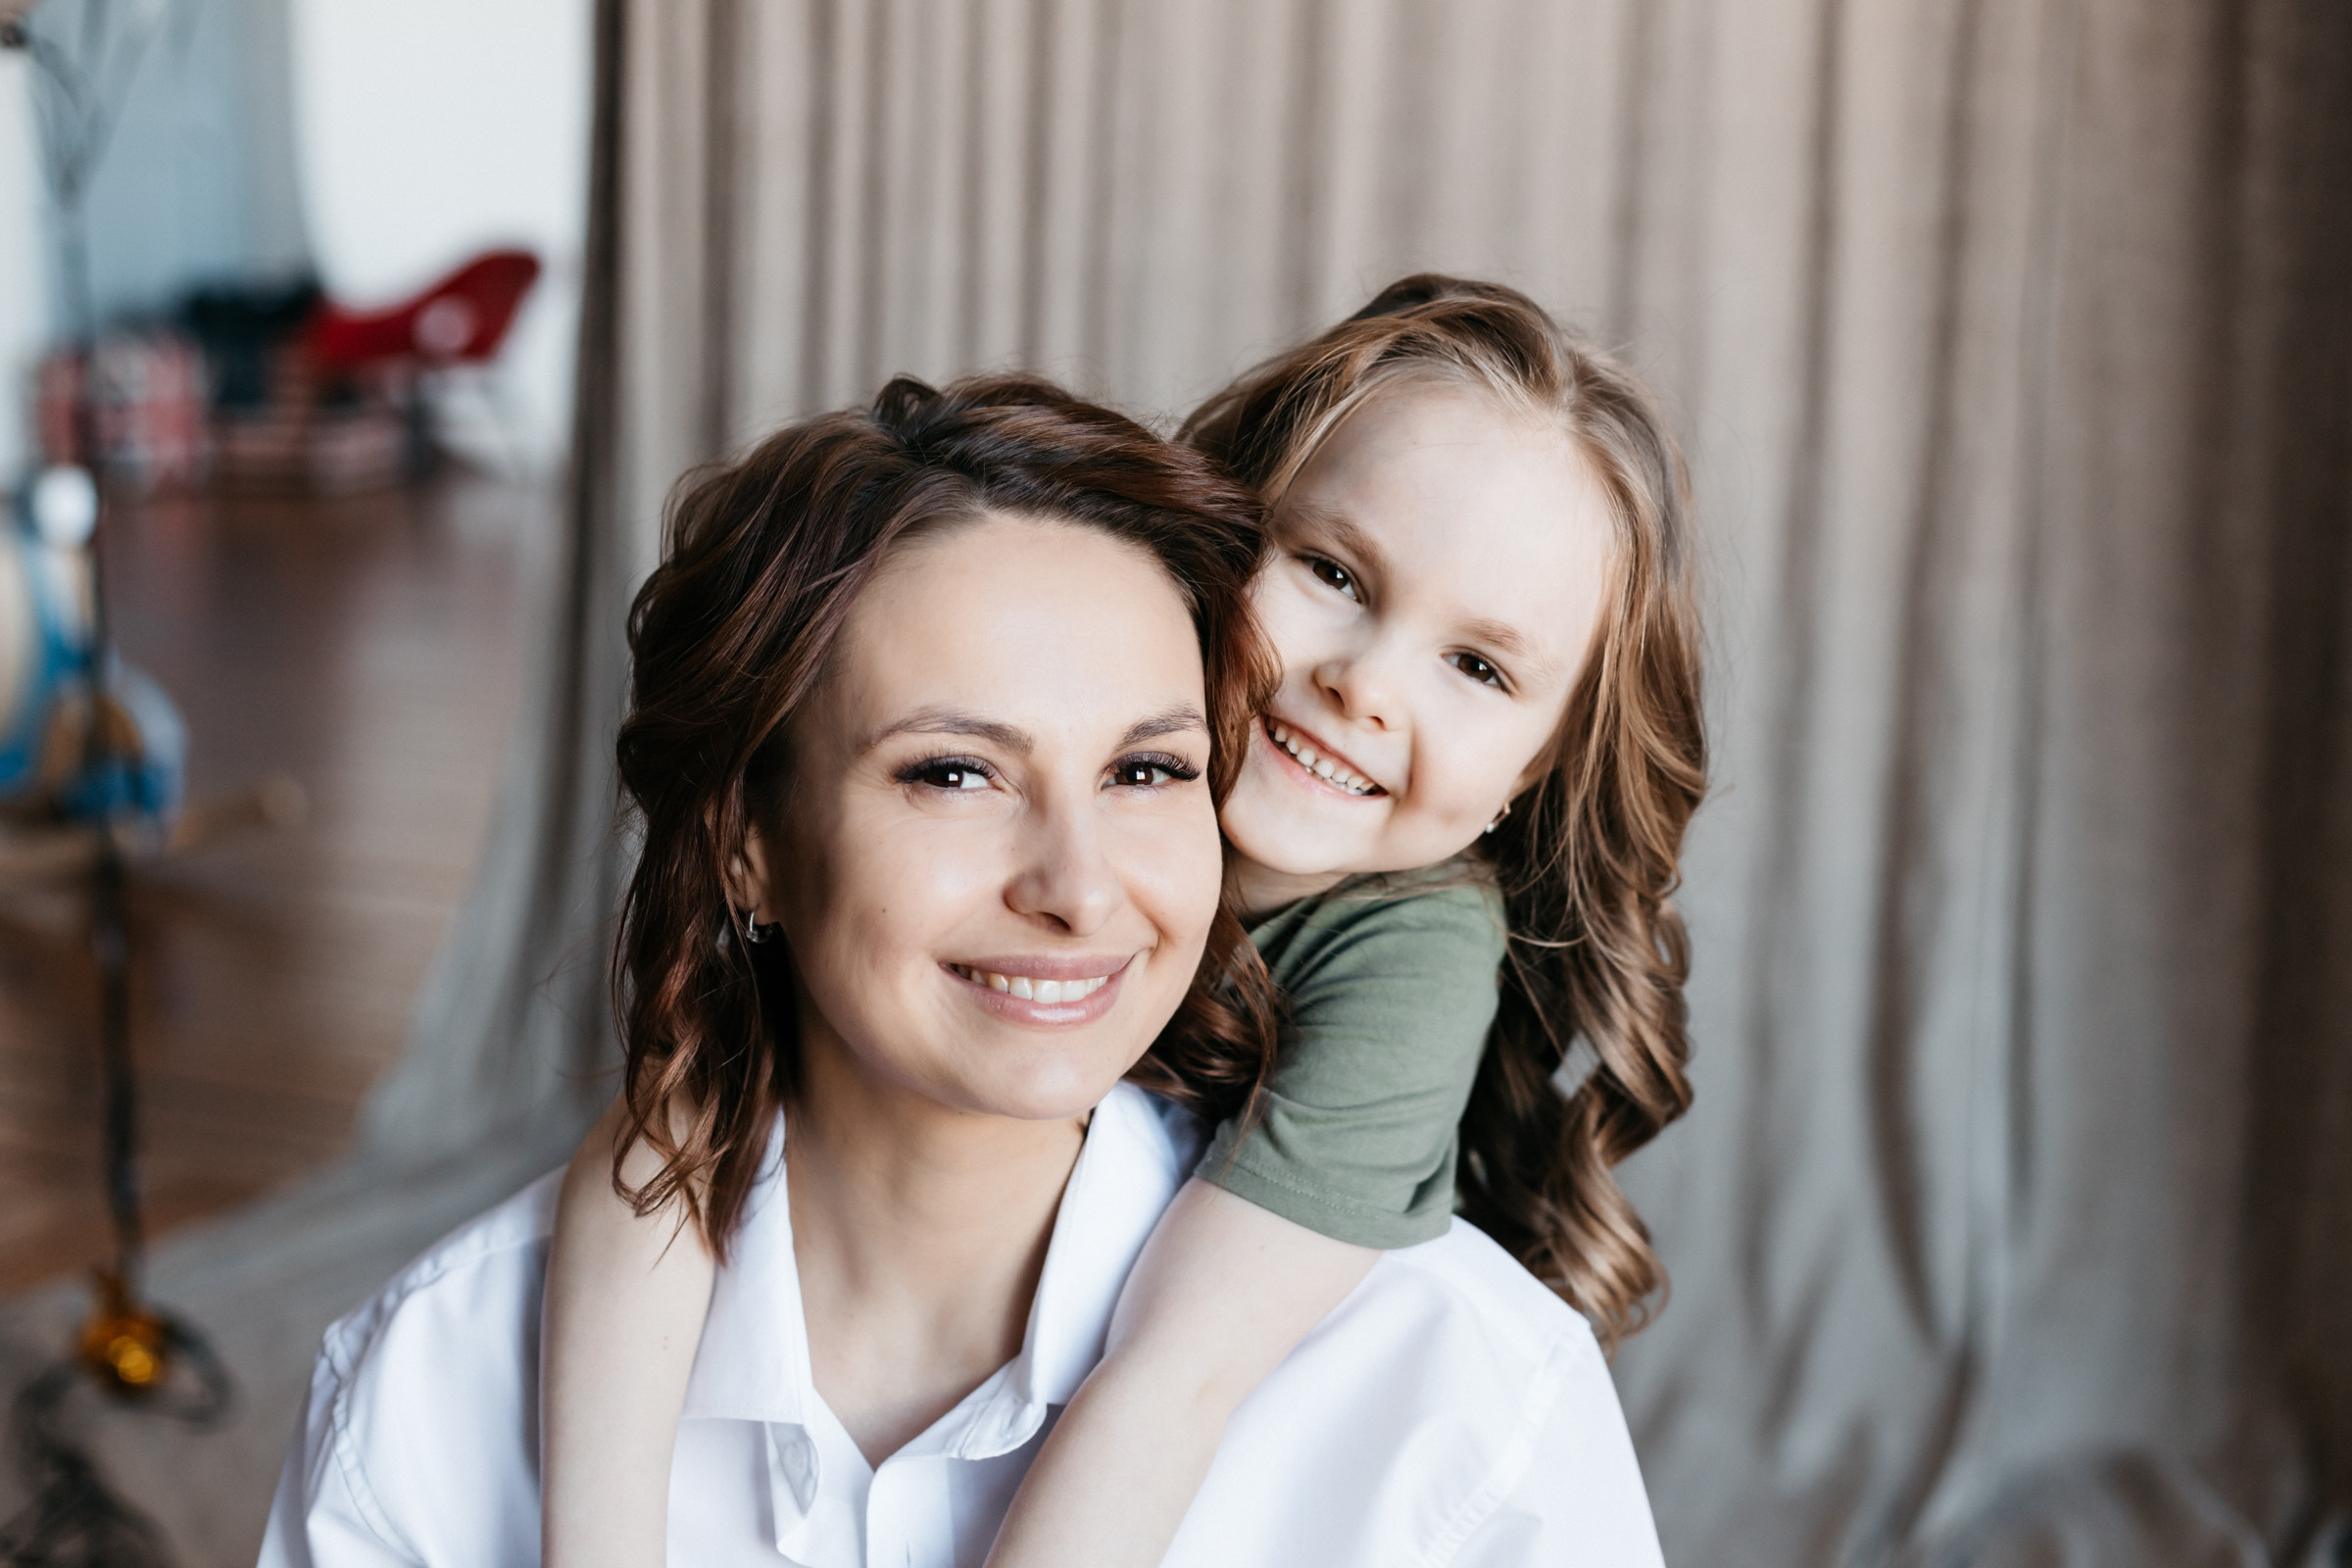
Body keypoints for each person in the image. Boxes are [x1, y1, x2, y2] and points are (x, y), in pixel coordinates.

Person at [258, 373, 1667, 1568]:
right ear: (745, 841)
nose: (1079, 888)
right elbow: (676, 1108)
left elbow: (1177, 1379)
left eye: (1145, 771)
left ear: (1526, 777)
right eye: (953, 772)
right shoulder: (432, 1393)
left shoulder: (1470, 1394)